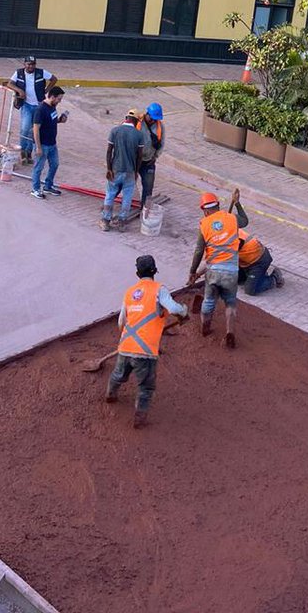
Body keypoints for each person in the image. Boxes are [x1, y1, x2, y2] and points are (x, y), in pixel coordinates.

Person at [106, 255, 188, 428]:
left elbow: (121, 322)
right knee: (145, 387)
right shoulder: (159, 290)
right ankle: (139, 417)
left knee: (118, 374)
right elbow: (173, 308)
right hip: (146, 352)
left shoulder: (129, 292)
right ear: (155, 271)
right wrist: (184, 312)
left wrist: (127, 340)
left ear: (137, 273)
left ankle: (110, 394)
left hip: (126, 346)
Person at [187, 191, 246, 348]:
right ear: (218, 206)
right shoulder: (232, 219)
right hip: (231, 272)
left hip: (213, 272)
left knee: (209, 300)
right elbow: (245, 221)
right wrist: (238, 203)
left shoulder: (204, 224)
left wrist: (192, 271)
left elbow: (199, 251)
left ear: (205, 211)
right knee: (230, 303)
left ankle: (205, 328)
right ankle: (229, 332)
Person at [7, 56, 57, 165]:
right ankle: (22, 151)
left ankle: (28, 153)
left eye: (33, 64)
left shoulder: (41, 73)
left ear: (35, 64)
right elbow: (9, 83)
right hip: (26, 105)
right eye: (28, 64)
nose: (30, 66)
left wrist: (47, 90)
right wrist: (19, 90)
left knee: (32, 130)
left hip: (39, 106)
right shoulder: (19, 73)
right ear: (24, 64)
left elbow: (54, 79)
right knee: (25, 128)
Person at [101, 109, 143, 231]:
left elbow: (109, 151)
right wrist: (136, 172)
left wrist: (109, 169)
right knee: (127, 197)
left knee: (110, 194)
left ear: (126, 118)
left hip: (115, 169)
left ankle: (106, 221)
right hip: (130, 171)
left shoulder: (115, 131)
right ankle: (121, 222)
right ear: (136, 121)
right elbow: (139, 156)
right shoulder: (139, 135)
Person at [31, 85, 67, 199]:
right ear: (52, 97)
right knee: (38, 167)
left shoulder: (52, 106)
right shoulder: (40, 109)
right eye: (58, 99)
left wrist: (60, 121)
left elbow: (51, 121)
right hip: (43, 144)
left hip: (52, 143)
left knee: (55, 164)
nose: (59, 102)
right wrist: (38, 147)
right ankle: (35, 189)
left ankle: (48, 185)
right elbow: (36, 128)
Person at [238, 227, 284, 295]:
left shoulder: (233, 239)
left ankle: (274, 278)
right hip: (245, 262)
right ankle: (255, 277)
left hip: (258, 262)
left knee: (250, 290)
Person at [138, 103, 165, 214]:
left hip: (149, 160)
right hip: (135, 160)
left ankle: (144, 209)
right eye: (152, 118)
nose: (153, 121)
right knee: (127, 184)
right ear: (147, 114)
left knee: (148, 185)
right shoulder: (138, 122)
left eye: (155, 119)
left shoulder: (160, 126)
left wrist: (155, 157)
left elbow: (162, 143)